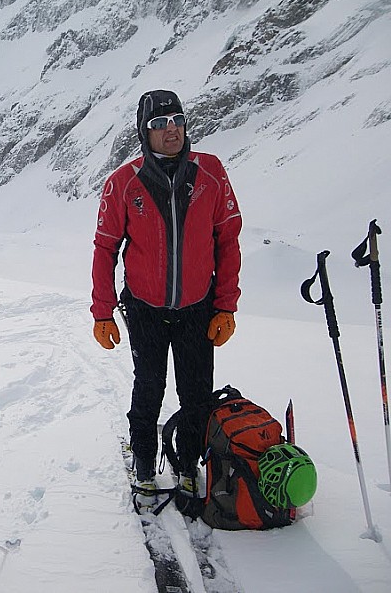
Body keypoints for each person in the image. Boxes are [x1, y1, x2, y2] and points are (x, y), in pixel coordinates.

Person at [90, 90, 242, 512]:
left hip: (198, 306)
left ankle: (189, 461)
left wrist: (226, 305)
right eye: (159, 124)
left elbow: (228, 241)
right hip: (144, 309)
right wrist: (103, 312)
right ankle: (143, 456)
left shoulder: (210, 173)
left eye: (176, 119)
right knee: (149, 384)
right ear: (145, 132)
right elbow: (105, 249)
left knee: (197, 391)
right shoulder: (123, 182)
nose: (170, 128)